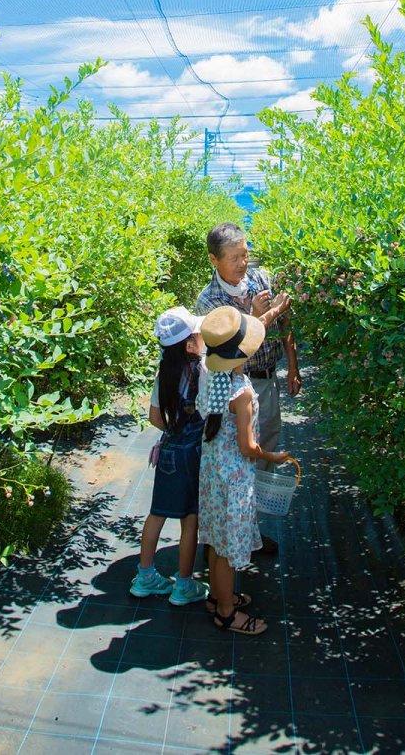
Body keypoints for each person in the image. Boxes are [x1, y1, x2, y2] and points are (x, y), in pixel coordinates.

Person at [195, 222, 301, 554]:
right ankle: (229, 534)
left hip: (266, 383)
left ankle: (248, 529)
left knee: (262, 449)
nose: (243, 263)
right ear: (214, 259)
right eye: (235, 257)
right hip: (232, 390)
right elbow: (227, 351)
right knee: (237, 456)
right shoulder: (208, 301)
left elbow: (286, 326)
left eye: (246, 254)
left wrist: (293, 366)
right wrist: (257, 316)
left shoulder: (261, 279)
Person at [197, 305, 291, 635]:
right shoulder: (243, 392)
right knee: (225, 551)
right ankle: (226, 612)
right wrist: (273, 457)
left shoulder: (212, 378)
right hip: (233, 479)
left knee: (215, 543)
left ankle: (217, 596)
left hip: (211, 476)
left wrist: (271, 312)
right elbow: (248, 448)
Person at [129, 306, 210, 606]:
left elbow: (154, 417)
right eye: (198, 334)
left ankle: (145, 576)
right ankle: (184, 584)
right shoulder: (200, 370)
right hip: (192, 454)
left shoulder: (164, 370)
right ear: (190, 344)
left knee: (157, 512)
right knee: (190, 518)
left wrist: (173, 429)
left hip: (168, 451)